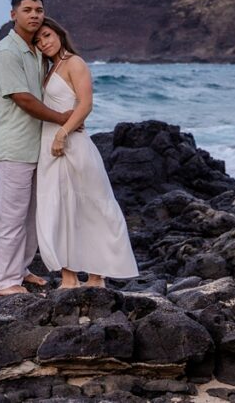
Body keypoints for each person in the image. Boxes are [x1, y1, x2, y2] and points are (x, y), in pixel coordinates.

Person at [33, 17, 138, 288]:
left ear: (58, 32)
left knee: (90, 206)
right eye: (38, 40)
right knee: (59, 209)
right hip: (50, 147)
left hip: (71, 144)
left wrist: (62, 133)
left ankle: (96, 275)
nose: (43, 42)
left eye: (46, 35)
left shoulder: (74, 63)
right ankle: (68, 276)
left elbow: (86, 104)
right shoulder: (48, 67)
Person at [0, 0, 74, 296]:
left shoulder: (36, 50)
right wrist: (62, 118)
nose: (35, 15)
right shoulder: (7, 52)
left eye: (38, 9)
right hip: (12, 146)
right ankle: (5, 282)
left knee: (32, 214)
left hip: (36, 144)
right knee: (11, 216)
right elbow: (23, 99)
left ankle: (21, 270)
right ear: (14, 15)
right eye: (28, 10)